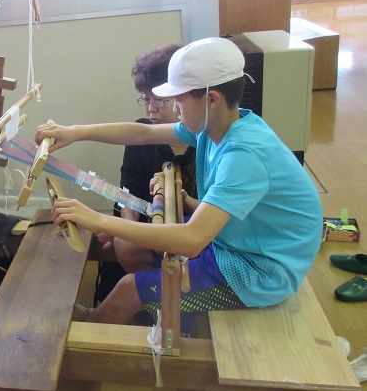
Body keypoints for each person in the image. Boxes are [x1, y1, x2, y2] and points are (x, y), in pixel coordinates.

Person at [36, 37, 323, 325]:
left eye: (180, 100)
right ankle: (148, 316)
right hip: (239, 244)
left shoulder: (244, 154)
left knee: (126, 291)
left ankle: (90, 342)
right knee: (133, 255)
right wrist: (74, 132)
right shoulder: (217, 127)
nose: (174, 110)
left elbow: (192, 240)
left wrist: (96, 219)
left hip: (259, 270)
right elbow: (143, 133)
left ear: (211, 99)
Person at [94, 44, 199, 307]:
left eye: (159, 100)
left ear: (181, 96)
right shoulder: (140, 133)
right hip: (147, 229)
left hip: (191, 235)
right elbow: (128, 192)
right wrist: (127, 230)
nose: (151, 109)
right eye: (145, 100)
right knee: (124, 248)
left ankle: (160, 304)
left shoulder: (203, 140)